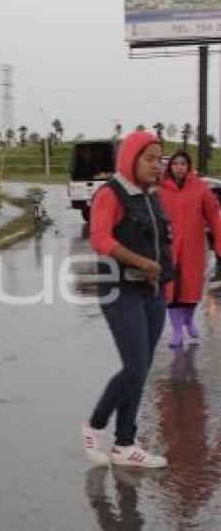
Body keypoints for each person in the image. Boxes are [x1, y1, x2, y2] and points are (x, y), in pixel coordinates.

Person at [81, 131, 172, 468]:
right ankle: (94, 425)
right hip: (120, 290)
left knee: (142, 369)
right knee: (134, 367)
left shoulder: (152, 196)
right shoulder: (111, 193)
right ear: (130, 158)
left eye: (158, 158)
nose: (156, 164)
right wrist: (141, 262)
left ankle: (124, 444)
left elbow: (163, 243)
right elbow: (99, 239)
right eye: (148, 157)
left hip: (153, 291)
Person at [157, 150, 221, 347]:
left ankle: (188, 320)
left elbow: (213, 217)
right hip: (169, 248)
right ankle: (177, 331)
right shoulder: (160, 190)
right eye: (175, 164)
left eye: (182, 164)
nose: (179, 167)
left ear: (188, 166)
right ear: (170, 166)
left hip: (193, 247)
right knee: (172, 290)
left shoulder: (201, 189)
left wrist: (218, 243)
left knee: (191, 288)